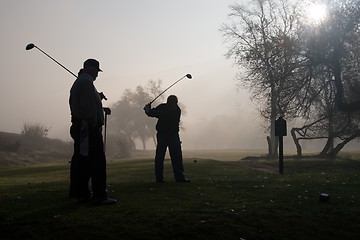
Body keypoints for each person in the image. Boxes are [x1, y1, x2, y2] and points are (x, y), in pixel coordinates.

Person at [69, 59, 116, 204]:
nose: (97, 74)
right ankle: (99, 196)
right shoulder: (86, 83)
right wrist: (95, 124)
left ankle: (82, 194)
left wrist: (99, 104)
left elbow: (86, 104)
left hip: (82, 126)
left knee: (84, 162)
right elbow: (88, 109)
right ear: (90, 68)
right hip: (88, 128)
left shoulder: (83, 82)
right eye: (96, 70)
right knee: (97, 163)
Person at [143, 95, 190, 183]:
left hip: (172, 135)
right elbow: (153, 113)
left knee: (175, 157)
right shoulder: (165, 107)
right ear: (168, 103)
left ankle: (178, 178)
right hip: (163, 135)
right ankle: (160, 178)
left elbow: (155, 113)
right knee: (161, 157)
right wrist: (149, 110)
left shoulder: (175, 111)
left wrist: (148, 110)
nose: (172, 105)